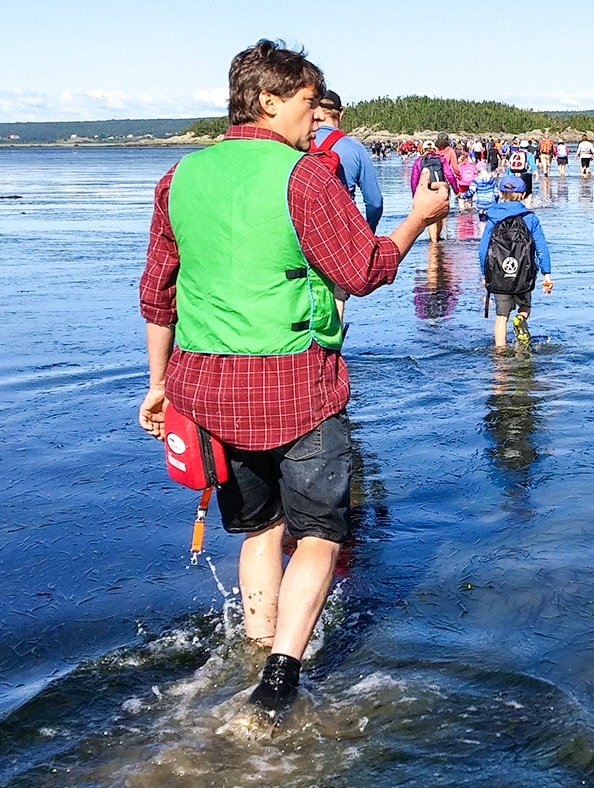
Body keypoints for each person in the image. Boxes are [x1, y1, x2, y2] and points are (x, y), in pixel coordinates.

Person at [136, 39, 450, 719]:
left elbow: (157, 294)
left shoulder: (179, 177)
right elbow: (362, 271)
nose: (318, 119)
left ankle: (253, 648)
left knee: (260, 532)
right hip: (298, 386)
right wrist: (420, 220)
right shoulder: (304, 176)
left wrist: (157, 383)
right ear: (268, 99)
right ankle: (280, 674)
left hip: (208, 387)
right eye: (310, 104)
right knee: (319, 535)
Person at [479, 174, 553, 348]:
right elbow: (541, 247)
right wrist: (546, 274)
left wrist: (485, 274)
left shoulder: (492, 217)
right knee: (525, 307)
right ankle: (521, 319)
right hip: (523, 274)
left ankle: (500, 354)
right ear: (524, 194)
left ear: (500, 193)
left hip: (499, 275)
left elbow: (483, 249)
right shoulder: (530, 218)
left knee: (501, 317)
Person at [310, 90, 383, 231]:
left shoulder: (296, 144)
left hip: (305, 233)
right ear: (341, 113)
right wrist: (368, 231)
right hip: (342, 230)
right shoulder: (355, 148)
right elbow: (375, 203)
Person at [409, 133, 456, 242]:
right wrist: (456, 189)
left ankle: (434, 241)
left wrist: (414, 195)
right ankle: (437, 237)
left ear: (423, 149)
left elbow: (414, 179)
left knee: (431, 216)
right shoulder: (441, 159)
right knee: (439, 215)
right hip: (441, 188)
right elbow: (449, 174)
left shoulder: (419, 161)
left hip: (427, 189)